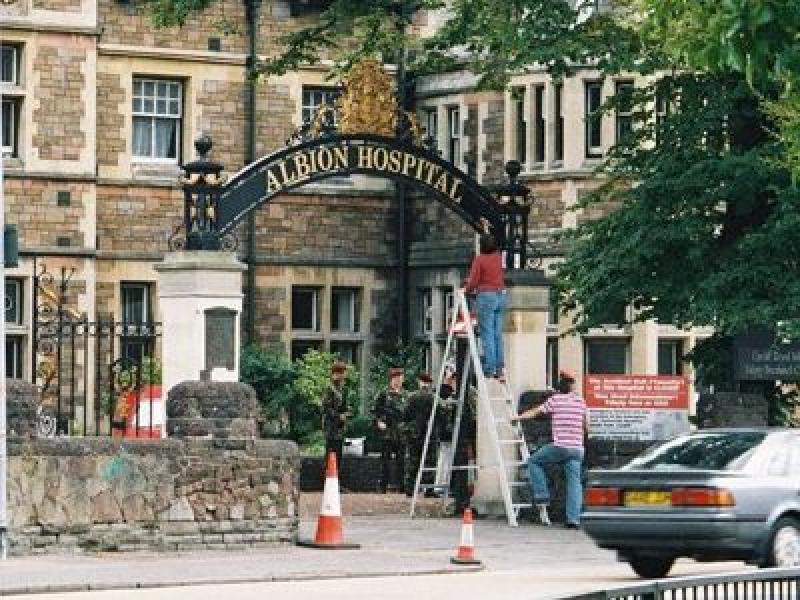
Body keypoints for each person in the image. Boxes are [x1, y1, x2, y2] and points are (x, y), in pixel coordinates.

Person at [513, 369, 588, 529]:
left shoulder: (555, 400)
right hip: (578, 449)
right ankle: (573, 520)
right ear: (571, 388)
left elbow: (535, 412)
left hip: (560, 446)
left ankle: (542, 495)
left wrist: (517, 417)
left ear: (558, 389)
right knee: (574, 484)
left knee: (534, 461)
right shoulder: (581, 402)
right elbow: (587, 425)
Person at [464, 234, 507, 381]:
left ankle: (489, 368)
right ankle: (500, 368)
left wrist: (466, 290)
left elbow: (474, 281)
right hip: (500, 295)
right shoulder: (498, 257)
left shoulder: (480, 259)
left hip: (486, 296)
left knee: (486, 333)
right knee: (497, 333)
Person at [373, 367, 407, 493]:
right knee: (385, 461)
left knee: (401, 461)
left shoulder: (405, 394)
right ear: (391, 380)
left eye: (400, 378)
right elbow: (376, 410)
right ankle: (383, 485)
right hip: (387, 431)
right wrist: (379, 422)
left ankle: (401, 486)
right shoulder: (384, 394)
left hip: (401, 431)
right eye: (396, 378)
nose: (398, 381)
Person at [404, 373, 435, 497]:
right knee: (430, 461)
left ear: (419, 382)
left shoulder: (412, 397)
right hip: (430, 432)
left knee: (413, 460)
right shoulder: (433, 397)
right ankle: (428, 489)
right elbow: (442, 412)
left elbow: (405, 414)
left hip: (414, 433)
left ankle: (410, 489)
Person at [322, 361, 350, 473]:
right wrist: (339, 416)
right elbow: (326, 409)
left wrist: (346, 413)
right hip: (331, 428)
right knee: (330, 454)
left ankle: (336, 480)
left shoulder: (343, 390)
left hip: (339, 428)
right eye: (341, 373)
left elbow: (345, 406)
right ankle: (327, 480)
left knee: (338, 455)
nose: (342, 376)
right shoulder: (329, 389)